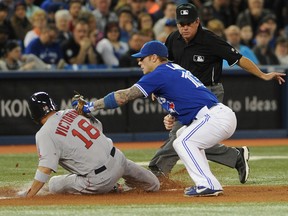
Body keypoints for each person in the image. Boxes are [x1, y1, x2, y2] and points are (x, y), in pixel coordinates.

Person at [72, 40, 283, 196]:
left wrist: (92, 106)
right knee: (182, 135)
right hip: (214, 115)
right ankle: (215, 176)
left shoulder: (159, 72)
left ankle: (209, 184)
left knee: (183, 141)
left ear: (154, 57)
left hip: (214, 116)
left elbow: (124, 96)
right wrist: (173, 114)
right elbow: (189, 96)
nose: (139, 63)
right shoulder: (173, 69)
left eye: (142, 59)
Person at [148, 3, 286, 184]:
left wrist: (262, 74)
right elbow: (167, 66)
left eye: (189, 23)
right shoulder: (173, 39)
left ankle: (155, 173)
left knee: (180, 135)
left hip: (208, 92)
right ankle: (235, 156)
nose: (185, 27)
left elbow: (239, 59)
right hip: (185, 93)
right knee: (191, 137)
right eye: (181, 24)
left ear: (197, 22)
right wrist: (157, 86)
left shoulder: (210, 40)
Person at [22, 91, 160, 197]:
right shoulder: (71, 112)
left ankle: (112, 188)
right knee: (154, 185)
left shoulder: (44, 133)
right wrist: (86, 115)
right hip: (119, 160)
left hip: (100, 180)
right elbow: (98, 129)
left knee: (53, 184)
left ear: (33, 113)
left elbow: (45, 169)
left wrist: (30, 195)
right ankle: (115, 186)